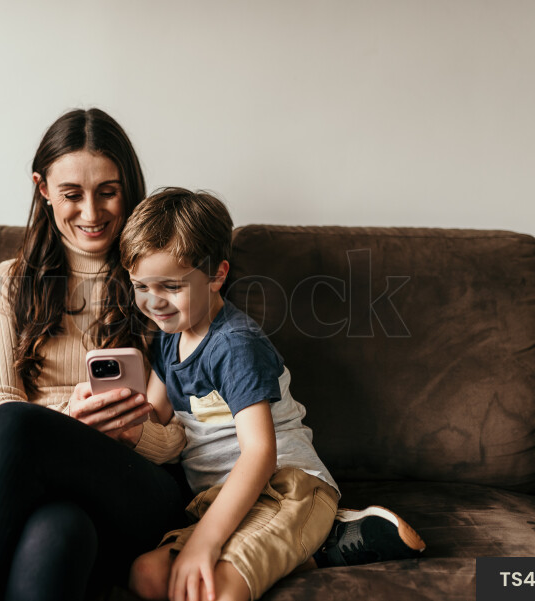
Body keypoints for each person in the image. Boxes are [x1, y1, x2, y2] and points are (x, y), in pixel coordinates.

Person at [0, 108, 193, 601]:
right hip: (49, 493)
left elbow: (178, 436)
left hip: (139, 487)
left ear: (129, 187)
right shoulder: (5, 284)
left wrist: (133, 432)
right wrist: (74, 420)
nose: (92, 213)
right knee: (56, 535)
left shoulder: (162, 282)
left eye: (108, 191)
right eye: (72, 194)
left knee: (14, 426)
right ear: (43, 189)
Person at [120, 188, 425, 601]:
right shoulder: (166, 340)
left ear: (217, 276)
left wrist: (205, 542)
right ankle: (330, 545)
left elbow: (260, 453)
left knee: (218, 593)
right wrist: (111, 413)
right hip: (223, 500)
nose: (153, 302)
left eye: (170, 286)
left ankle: (322, 533)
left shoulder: (234, 344)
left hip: (287, 488)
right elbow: (154, 418)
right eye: (141, 285)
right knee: (147, 576)